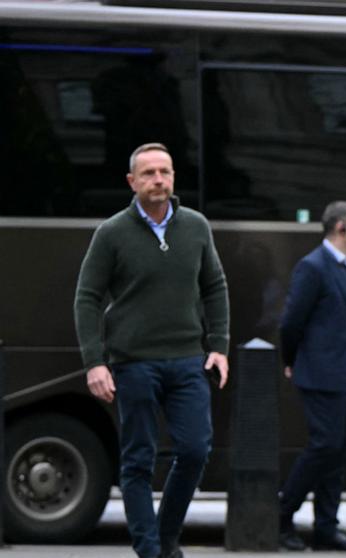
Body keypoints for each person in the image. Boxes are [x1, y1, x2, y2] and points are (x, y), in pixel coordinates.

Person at [74, 142, 229, 558]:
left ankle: (165, 538)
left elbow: (214, 286)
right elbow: (87, 297)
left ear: (174, 177)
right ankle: (150, 550)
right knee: (138, 461)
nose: (158, 180)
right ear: (132, 181)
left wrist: (219, 346)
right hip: (133, 363)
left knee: (196, 450)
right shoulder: (111, 233)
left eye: (165, 171)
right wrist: (95, 362)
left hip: (186, 360)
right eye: (148, 173)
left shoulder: (196, 226)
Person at [277, 201, 346, 552]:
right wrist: (292, 359)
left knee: (340, 452)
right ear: (340, 228)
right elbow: (291, 322)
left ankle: (326, 527)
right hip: (321, 374)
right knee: (325, 446)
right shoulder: (313, 267)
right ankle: (282, 515)